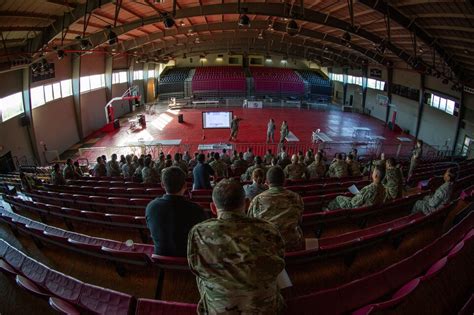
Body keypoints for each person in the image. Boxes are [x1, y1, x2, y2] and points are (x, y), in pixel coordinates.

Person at [188, 179, 285, 314]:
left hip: (219, 310)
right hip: (265, 309)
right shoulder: (269, 229)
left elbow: (195, 268)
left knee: (202, 270)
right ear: (246, 203)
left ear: (213, 208)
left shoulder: (199, 232)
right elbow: (279, 260)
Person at [146, 167, 206, 256]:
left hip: (161, 258)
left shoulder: (151, 207)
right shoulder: (196, 209)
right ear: (185, 186)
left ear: (162, 185)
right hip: (189, 259)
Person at [248, 166, 304, 251]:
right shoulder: (296, 197)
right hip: (292, 243)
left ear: (267, 182)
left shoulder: (257, 200)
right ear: (284, 181)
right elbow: (299, 220)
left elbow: (251, 224)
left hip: (267, 246)